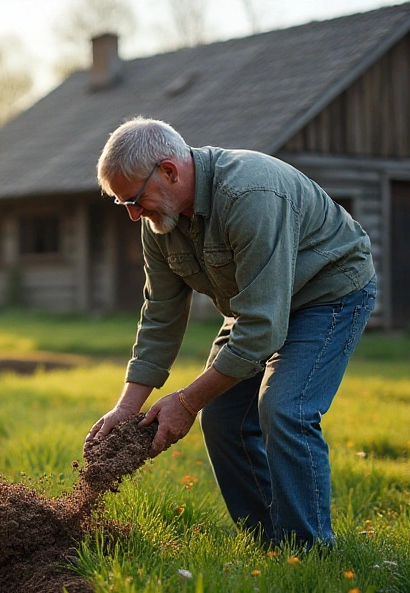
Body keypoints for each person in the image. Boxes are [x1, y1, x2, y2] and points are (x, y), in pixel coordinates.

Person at [83, 117, 377, 549]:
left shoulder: (249, 194)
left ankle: (310, 554)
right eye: (122, 204)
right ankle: (268, 545)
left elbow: (262, 328)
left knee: (284, 408)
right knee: (223, 418)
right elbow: (161, 316)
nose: (132, 214)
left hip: (326, 295)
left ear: (169, 170)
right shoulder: (158, 223)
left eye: (135, 199)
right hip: (259, 306)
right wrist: (127, 408)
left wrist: (185, 401)